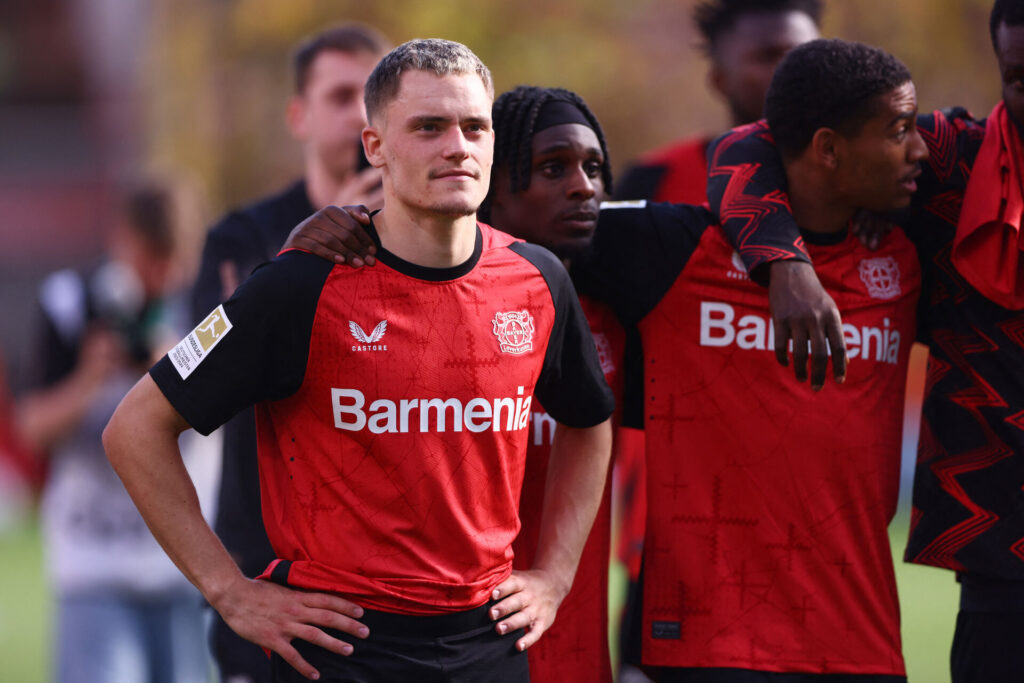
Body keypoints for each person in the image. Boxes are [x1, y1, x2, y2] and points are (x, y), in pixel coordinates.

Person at [290, 37, 926, 681]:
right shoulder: (367, 301)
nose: (582, 191)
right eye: (551, 168)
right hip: (424, 653)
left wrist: (796, 247)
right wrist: (337, 227)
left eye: (594, 170)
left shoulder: (610, 304)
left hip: (602, 647)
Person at [103, 39, 614, 683]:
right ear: (375, 147)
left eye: (473, 126)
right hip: (339, 650)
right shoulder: (298, 287)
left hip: (489, 645)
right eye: (428, 127)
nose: (457, 145)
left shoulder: (538, 279)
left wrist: (555, 575)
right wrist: (230, 592)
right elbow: (134, 430)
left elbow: (590, 422)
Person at [703, 4, 1024, 681]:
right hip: (1006, 566)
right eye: (1022, 78)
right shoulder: (956, 164)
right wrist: (784, 262)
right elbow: (750, 146)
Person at [190, 22, 389, 683]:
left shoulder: (430, 239)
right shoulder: (243, 237)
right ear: (298, 116)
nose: (361, 113)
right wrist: (312, 247)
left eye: (375, 95)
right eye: (341, 96)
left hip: (392, 585)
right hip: (267, 571)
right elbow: (195, 377)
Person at [17, 181, 217, 683]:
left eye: (174, 261)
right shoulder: (70, 302)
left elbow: (234, 423)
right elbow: (31, 428)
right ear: (123, 241)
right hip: (94, 562)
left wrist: (172, 376)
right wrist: (89, 377)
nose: (161, 278)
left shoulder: (207, 307)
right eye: (153, 260)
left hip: (185, 565)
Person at [612, 0, 821, 205]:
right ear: (720, 80)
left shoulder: (849, 177)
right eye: (768, 57)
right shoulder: (655, 180)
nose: (791, 70)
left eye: (803, 54)